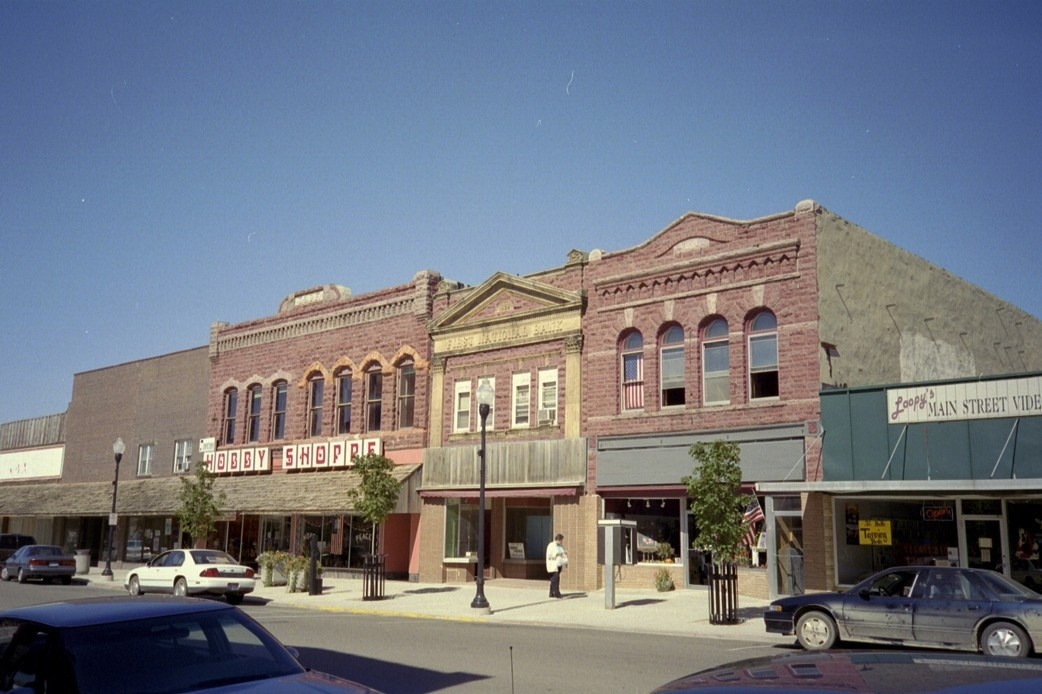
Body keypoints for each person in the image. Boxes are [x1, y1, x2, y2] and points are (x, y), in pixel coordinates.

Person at [545, 533, 567, 598]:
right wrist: (556, 555)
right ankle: (557, 593)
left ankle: (551, 593)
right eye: (561, 540)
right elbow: (549, 555)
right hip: (553, 565)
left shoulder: (560, 546)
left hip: (559, 565)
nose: (561, 542)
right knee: (556, 579)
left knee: (553, 580)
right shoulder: (551, 545)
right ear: (558, 539)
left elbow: (563, 553)